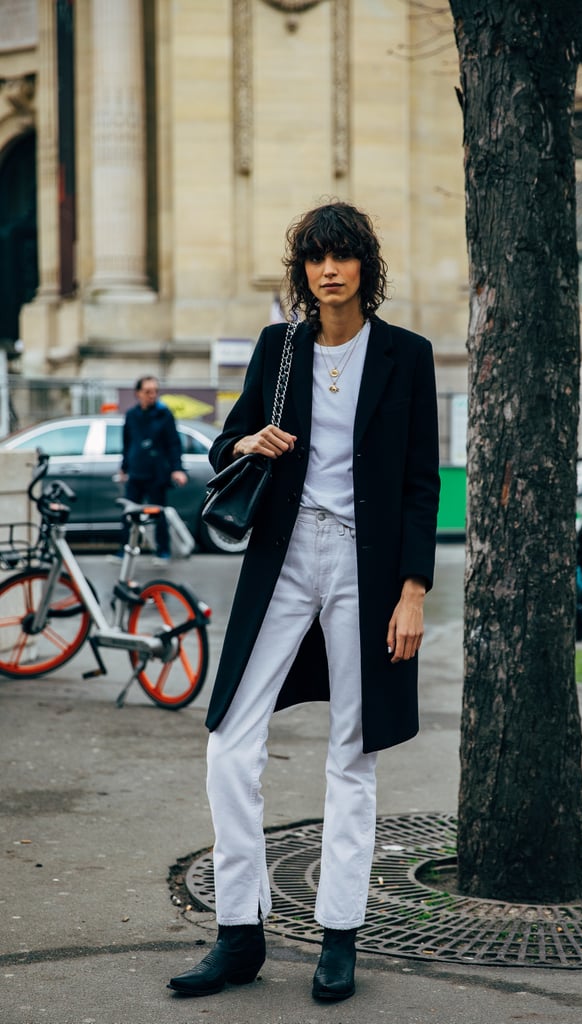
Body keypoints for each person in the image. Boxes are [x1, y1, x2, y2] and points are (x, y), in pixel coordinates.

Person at [168, 201, 440, 1002]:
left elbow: (421, 483)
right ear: (303, 271)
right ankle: (239, 932)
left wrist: (413, 591)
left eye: (344, 255)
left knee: (351, 755)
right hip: (282, 558)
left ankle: (338, 936)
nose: (329, 269)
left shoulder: (404, 355)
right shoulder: (277, 349)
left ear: (365, 267)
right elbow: (228, 442)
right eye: (317, 257)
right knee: (227, 743)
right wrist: (246, 441)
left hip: (366, 565)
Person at [118, 376, 187, 563]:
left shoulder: (164, 415)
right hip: (135, 472)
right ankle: (124, 551)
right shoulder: (132, 415)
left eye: (155, 391)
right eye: (148, 391)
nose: (152, 395)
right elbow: (127, 443)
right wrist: (124, 468)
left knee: (158, 513)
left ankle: (163, 551)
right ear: (138, 393)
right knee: (129, 513)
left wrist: (177, 469)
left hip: (157, 473)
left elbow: (174, 444)